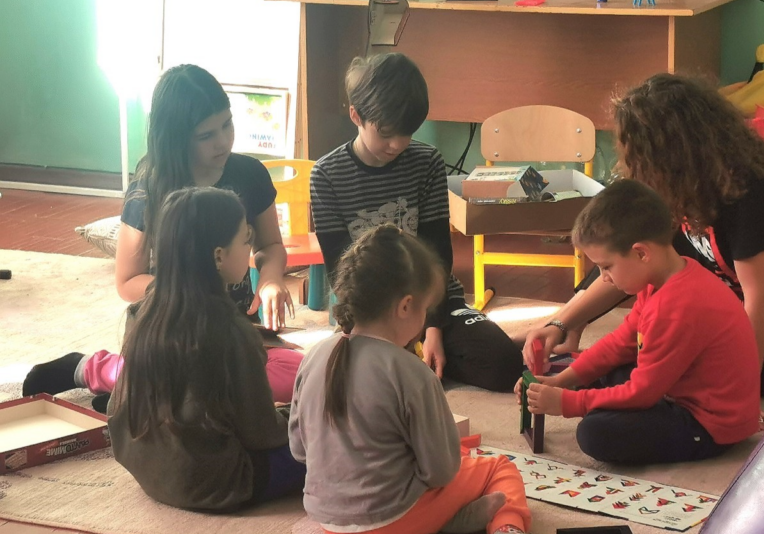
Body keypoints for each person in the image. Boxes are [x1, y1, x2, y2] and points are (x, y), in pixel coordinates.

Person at [524, 74, 764, 397]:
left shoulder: (749, 191)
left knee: (643, 377)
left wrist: (741, 390)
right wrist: (562, 323)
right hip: (725, 323)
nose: (633, 164)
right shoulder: (679, 188)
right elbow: (622, 258)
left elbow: (759, 301)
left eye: (640, 154)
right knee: (629, 365)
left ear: (673, 151)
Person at [23, 64, 300, 405]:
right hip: (171, 331)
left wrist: (270, 280)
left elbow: (270, 245)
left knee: (301, 374)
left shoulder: (249, 173)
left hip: (234, 329)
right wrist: (189, 294)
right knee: (196, 378)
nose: (223, 141)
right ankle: (92, 370)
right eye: (206, 135)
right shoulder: (150, 187)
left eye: (227, 124)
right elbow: (128, 281)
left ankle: (136, 396)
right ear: (177, 138)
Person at [289, 224, 531, 534]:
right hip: (397, 519)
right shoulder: (412, 372)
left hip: (329, 523)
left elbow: (299, 450)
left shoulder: (313, 357)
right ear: (405, 306)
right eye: (426, 308)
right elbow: (440, 472)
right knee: (498, 467)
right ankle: (506, 527)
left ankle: (448, 522)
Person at [310, 53, 522, 392]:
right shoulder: (326, 175)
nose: (398, 144)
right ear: (356, 116)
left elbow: (438, 253)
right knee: (343, 381)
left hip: (432, 302)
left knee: (506, 365)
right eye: (386, 133)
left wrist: (432, 325)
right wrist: (382, 333)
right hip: (369, 313)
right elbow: (340, 272)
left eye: (408, 132)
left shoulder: (427, 161)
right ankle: (418, 359)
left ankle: (428, 354)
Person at [520, 180, 760, 464]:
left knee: (595, 433)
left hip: (710, 426)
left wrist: (567, 403)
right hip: (679, 389)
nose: (604, 278)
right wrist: (562, 381)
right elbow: (619, 344)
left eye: (606, 267)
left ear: (641, 253)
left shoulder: (674, 307)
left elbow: (643, 393)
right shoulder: (663, 280)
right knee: (604, 370)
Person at [109, 187, 305, 512]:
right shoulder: (232, 331)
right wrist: (295, 417)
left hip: (146, 467)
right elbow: (262, 435)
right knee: (332, 441)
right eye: (245, 240)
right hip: (215, 482)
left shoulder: (142, 312)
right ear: (218, 256)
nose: (249, 248)